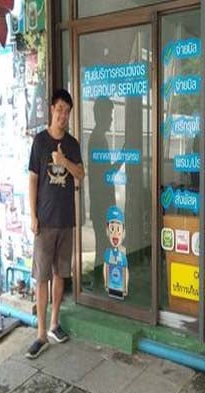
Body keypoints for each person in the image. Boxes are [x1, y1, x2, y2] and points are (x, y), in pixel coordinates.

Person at [25, 89, 85, 359]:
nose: (63, 115)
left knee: (60, 274)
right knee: (42, 278)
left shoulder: (72, 144)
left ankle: (54, 324)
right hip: (45, 221)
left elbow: (81, 174)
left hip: (65, 220)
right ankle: (40, 334)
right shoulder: (40, 141)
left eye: (67, 111)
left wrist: (63, 161)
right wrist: (33, 215)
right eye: (59, 109)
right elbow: (33, 180)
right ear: (52, 109)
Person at [88, 97, 116, 288]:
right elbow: (106, 173)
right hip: (101, 203)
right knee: (103, 246)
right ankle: (100, 284)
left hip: (101, 202)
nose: (112, 119)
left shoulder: (98, 138)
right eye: (109, 114)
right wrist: (124, 156)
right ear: (101, 115)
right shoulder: (97, 140)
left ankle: (101, 283)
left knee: (103, 245)